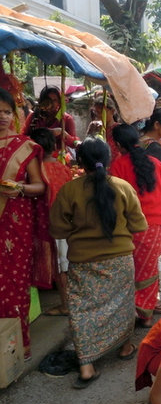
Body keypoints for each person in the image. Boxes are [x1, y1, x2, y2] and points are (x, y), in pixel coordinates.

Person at [50, 137, 147, 388]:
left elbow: (58, 229)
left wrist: (79, 228)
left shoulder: (69, 190)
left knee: (82, 310)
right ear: (108, 159)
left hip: (83, 261)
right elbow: (139, 225)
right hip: (120, 259)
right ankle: (125, 347)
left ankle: (86, 367)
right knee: (122, 303)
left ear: (80, 162)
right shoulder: (123, 187)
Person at [0, 88, 49, 361]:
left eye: (8, 111)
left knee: (14, 284)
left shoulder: (24, 146)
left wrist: (19, 188)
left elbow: (40, 186)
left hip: (15, 226)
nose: (4, 117)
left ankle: (17, 348)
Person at [111, 124, 161, 328]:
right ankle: (146, 314)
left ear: (119, 145)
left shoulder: (118, 165)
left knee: (132, 270)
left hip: (130, 226)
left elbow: (116, 199)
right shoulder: (155, 163)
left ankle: (133, 310)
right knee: (148, 270)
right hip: (155, 225)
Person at [31, 128, 73, 317]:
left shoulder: (37, 171)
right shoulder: (63, 168)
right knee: (65, 265)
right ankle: (70, 302)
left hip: (51, 225)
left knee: (60, 267)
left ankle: (66, 305)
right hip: (67, 222)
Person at [22, 85, 79, 152]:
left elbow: (74, 144)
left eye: (54, 100)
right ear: (42, 101)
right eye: (48, 100)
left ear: (59, 102)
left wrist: (63, 133)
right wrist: (38, 136)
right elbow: (22, 138)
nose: (51, 103)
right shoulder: (33, 116)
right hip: (36, 158)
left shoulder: (66, 119)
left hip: (58, 160)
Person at [87, 93, 121, 161]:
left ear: (112, 111)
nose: (98, 116)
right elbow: (87, 146)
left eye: (100, 112)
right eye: (96, 112)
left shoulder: (119, 129)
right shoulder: (94, 126)